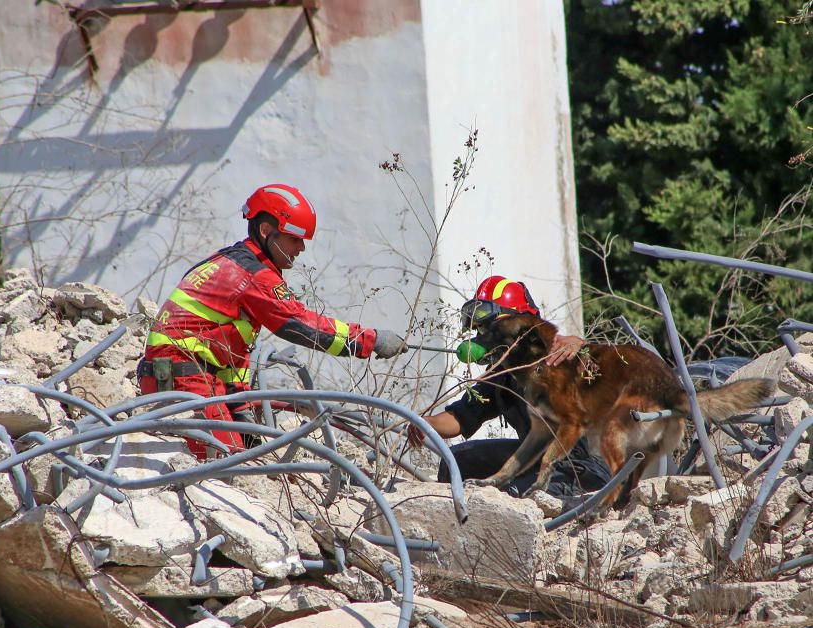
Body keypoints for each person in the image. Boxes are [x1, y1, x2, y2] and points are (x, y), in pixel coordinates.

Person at [139, 183, 408, 459]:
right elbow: (301, 325)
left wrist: (239, 403)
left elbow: (227, 351)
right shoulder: (253, 275)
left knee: (241, 462)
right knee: (222, 466)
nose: (302, 248)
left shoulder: (228, 262)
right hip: (185, 379)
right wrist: (370, 340)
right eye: (295, 239)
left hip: (178, 375)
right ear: (266, 231)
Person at [410, 276, 612, 497]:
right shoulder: (503, 374)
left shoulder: (561, 356)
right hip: (534, 458)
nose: (484, 337)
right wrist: (424, 423)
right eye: (481, 329)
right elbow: (461, 417)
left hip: (584, 468)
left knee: (513, 494)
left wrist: (581, 344)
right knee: (456, 461)